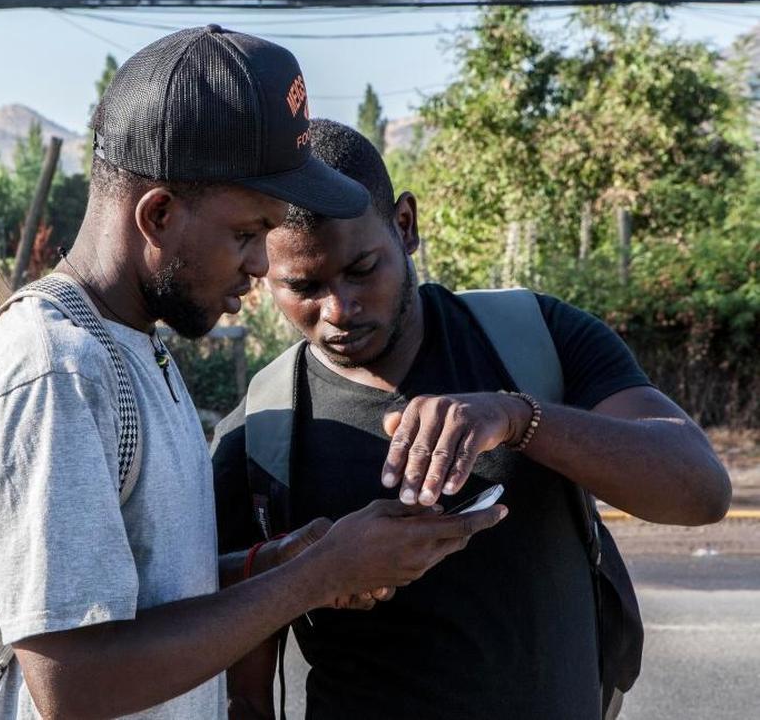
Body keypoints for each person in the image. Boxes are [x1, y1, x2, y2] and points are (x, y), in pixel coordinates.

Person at [0, 27, 506, 720]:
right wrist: (318, 575)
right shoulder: (56, 369)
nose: (262, 266)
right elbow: (73, 683)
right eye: (247, 232)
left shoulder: (135, 348)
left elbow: (140, 602)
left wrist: (284, 564)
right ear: (159, 213)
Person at [212, 118, 733, 720]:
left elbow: (701, 491)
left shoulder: (536, 336)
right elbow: (242, 690)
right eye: (303, 286)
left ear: (404, 226)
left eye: (361, 270)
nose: (339, 309)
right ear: (261, 273)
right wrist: (304, 572)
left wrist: (518, 417)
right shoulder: (260, 429)